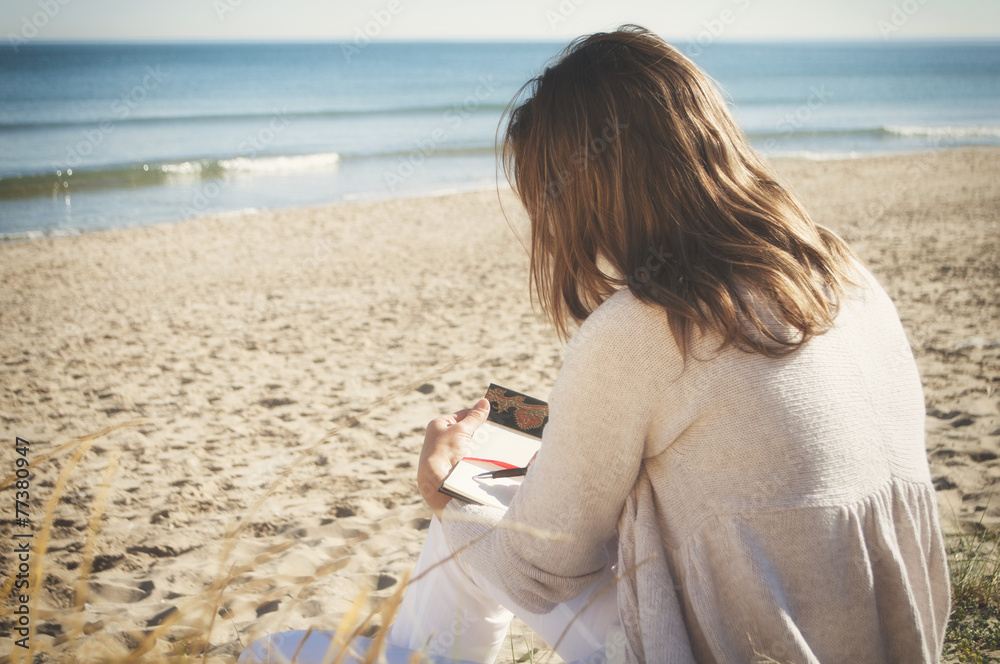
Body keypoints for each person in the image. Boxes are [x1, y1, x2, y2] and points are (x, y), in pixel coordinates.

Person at [387, 25, 950, 663]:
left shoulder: (643, 328)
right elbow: (732, 440)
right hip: (877, 635)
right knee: (509, 441)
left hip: (739, 643)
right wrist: (554, 430)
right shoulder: (838, 272)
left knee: (466, 526)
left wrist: (442, 486)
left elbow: (538, 568)